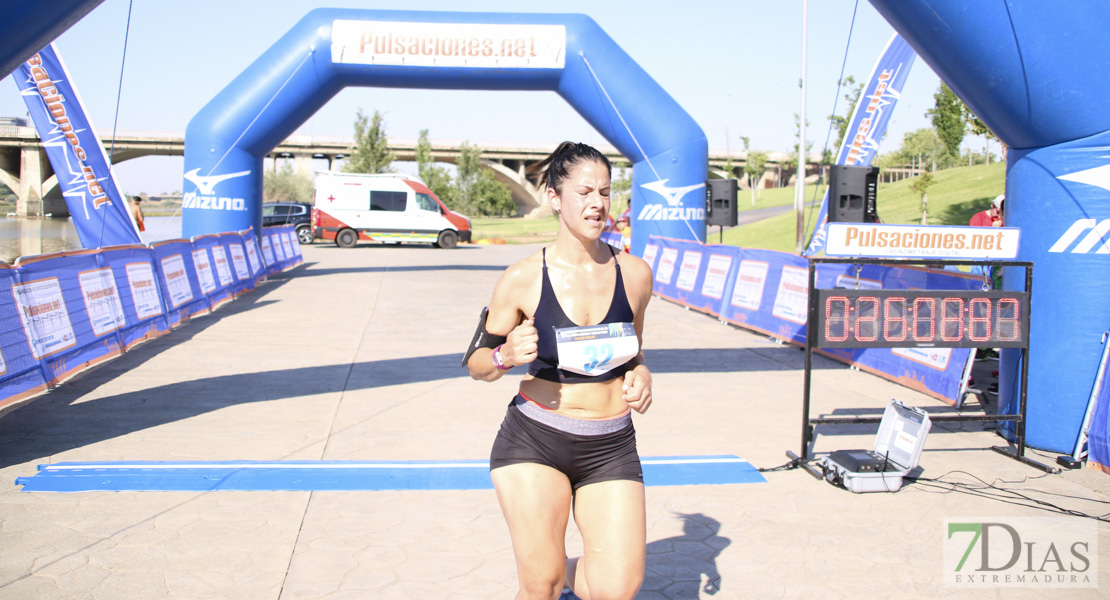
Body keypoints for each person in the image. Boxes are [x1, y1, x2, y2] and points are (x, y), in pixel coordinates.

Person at [466, 141, 654, 600]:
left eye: (606, 192)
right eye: (585, 191)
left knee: (618, 587)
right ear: (554, 197)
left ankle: (562, 568)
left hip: (611, 443)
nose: (597, 204)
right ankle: (549, 571)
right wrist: (505, 356)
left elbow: (635, 351)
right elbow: (475, 363)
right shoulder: (522, 277)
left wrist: (643, 374)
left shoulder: (636, 274)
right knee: (541, 585)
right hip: (536, 439)